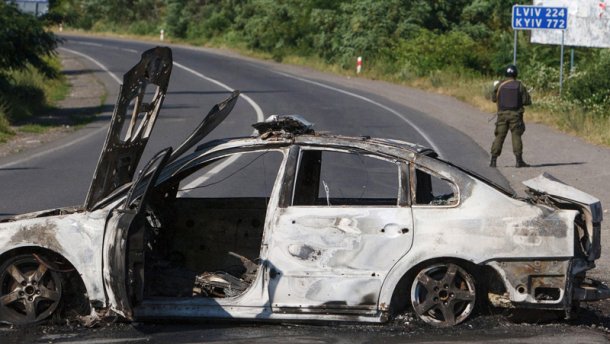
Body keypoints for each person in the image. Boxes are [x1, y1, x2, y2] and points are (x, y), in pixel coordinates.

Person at [489, 64, 532, 168]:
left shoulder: (499, 85)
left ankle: (493, 161)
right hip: (515, 116)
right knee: (516, 136)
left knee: (499, 136)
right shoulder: (519, 85)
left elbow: (494, 99)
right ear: (516, 74)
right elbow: (526, 101)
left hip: (502, 115)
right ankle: (519, 161)